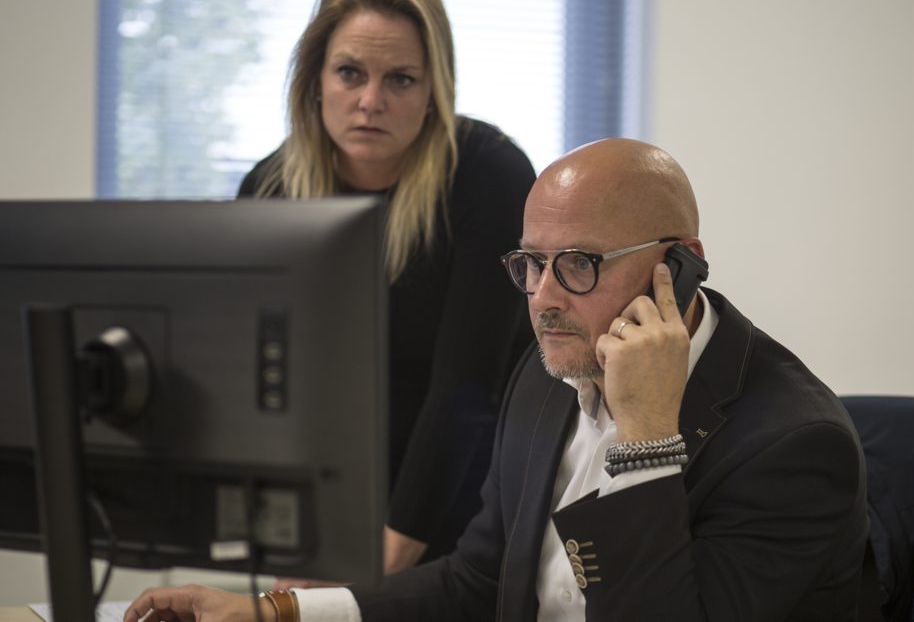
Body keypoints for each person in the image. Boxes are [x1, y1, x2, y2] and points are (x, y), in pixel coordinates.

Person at [125, 138, 869, 621]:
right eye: (529, 263)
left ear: (677, 264)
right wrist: (268, 612)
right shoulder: (548, 373)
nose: (543, 297)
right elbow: (475, 582)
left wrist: (647, 439)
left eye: (579, 263)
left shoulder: (794, 444)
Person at [236, 0, 536, 574]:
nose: (371, 101)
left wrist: (383, 568)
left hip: (468, 490)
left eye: (401, 79)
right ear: (315, 80)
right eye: (350, 73)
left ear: (433, 91)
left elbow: (464, 388)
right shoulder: (269, 189)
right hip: (328, 486)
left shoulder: (488, 176)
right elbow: (264, 388)